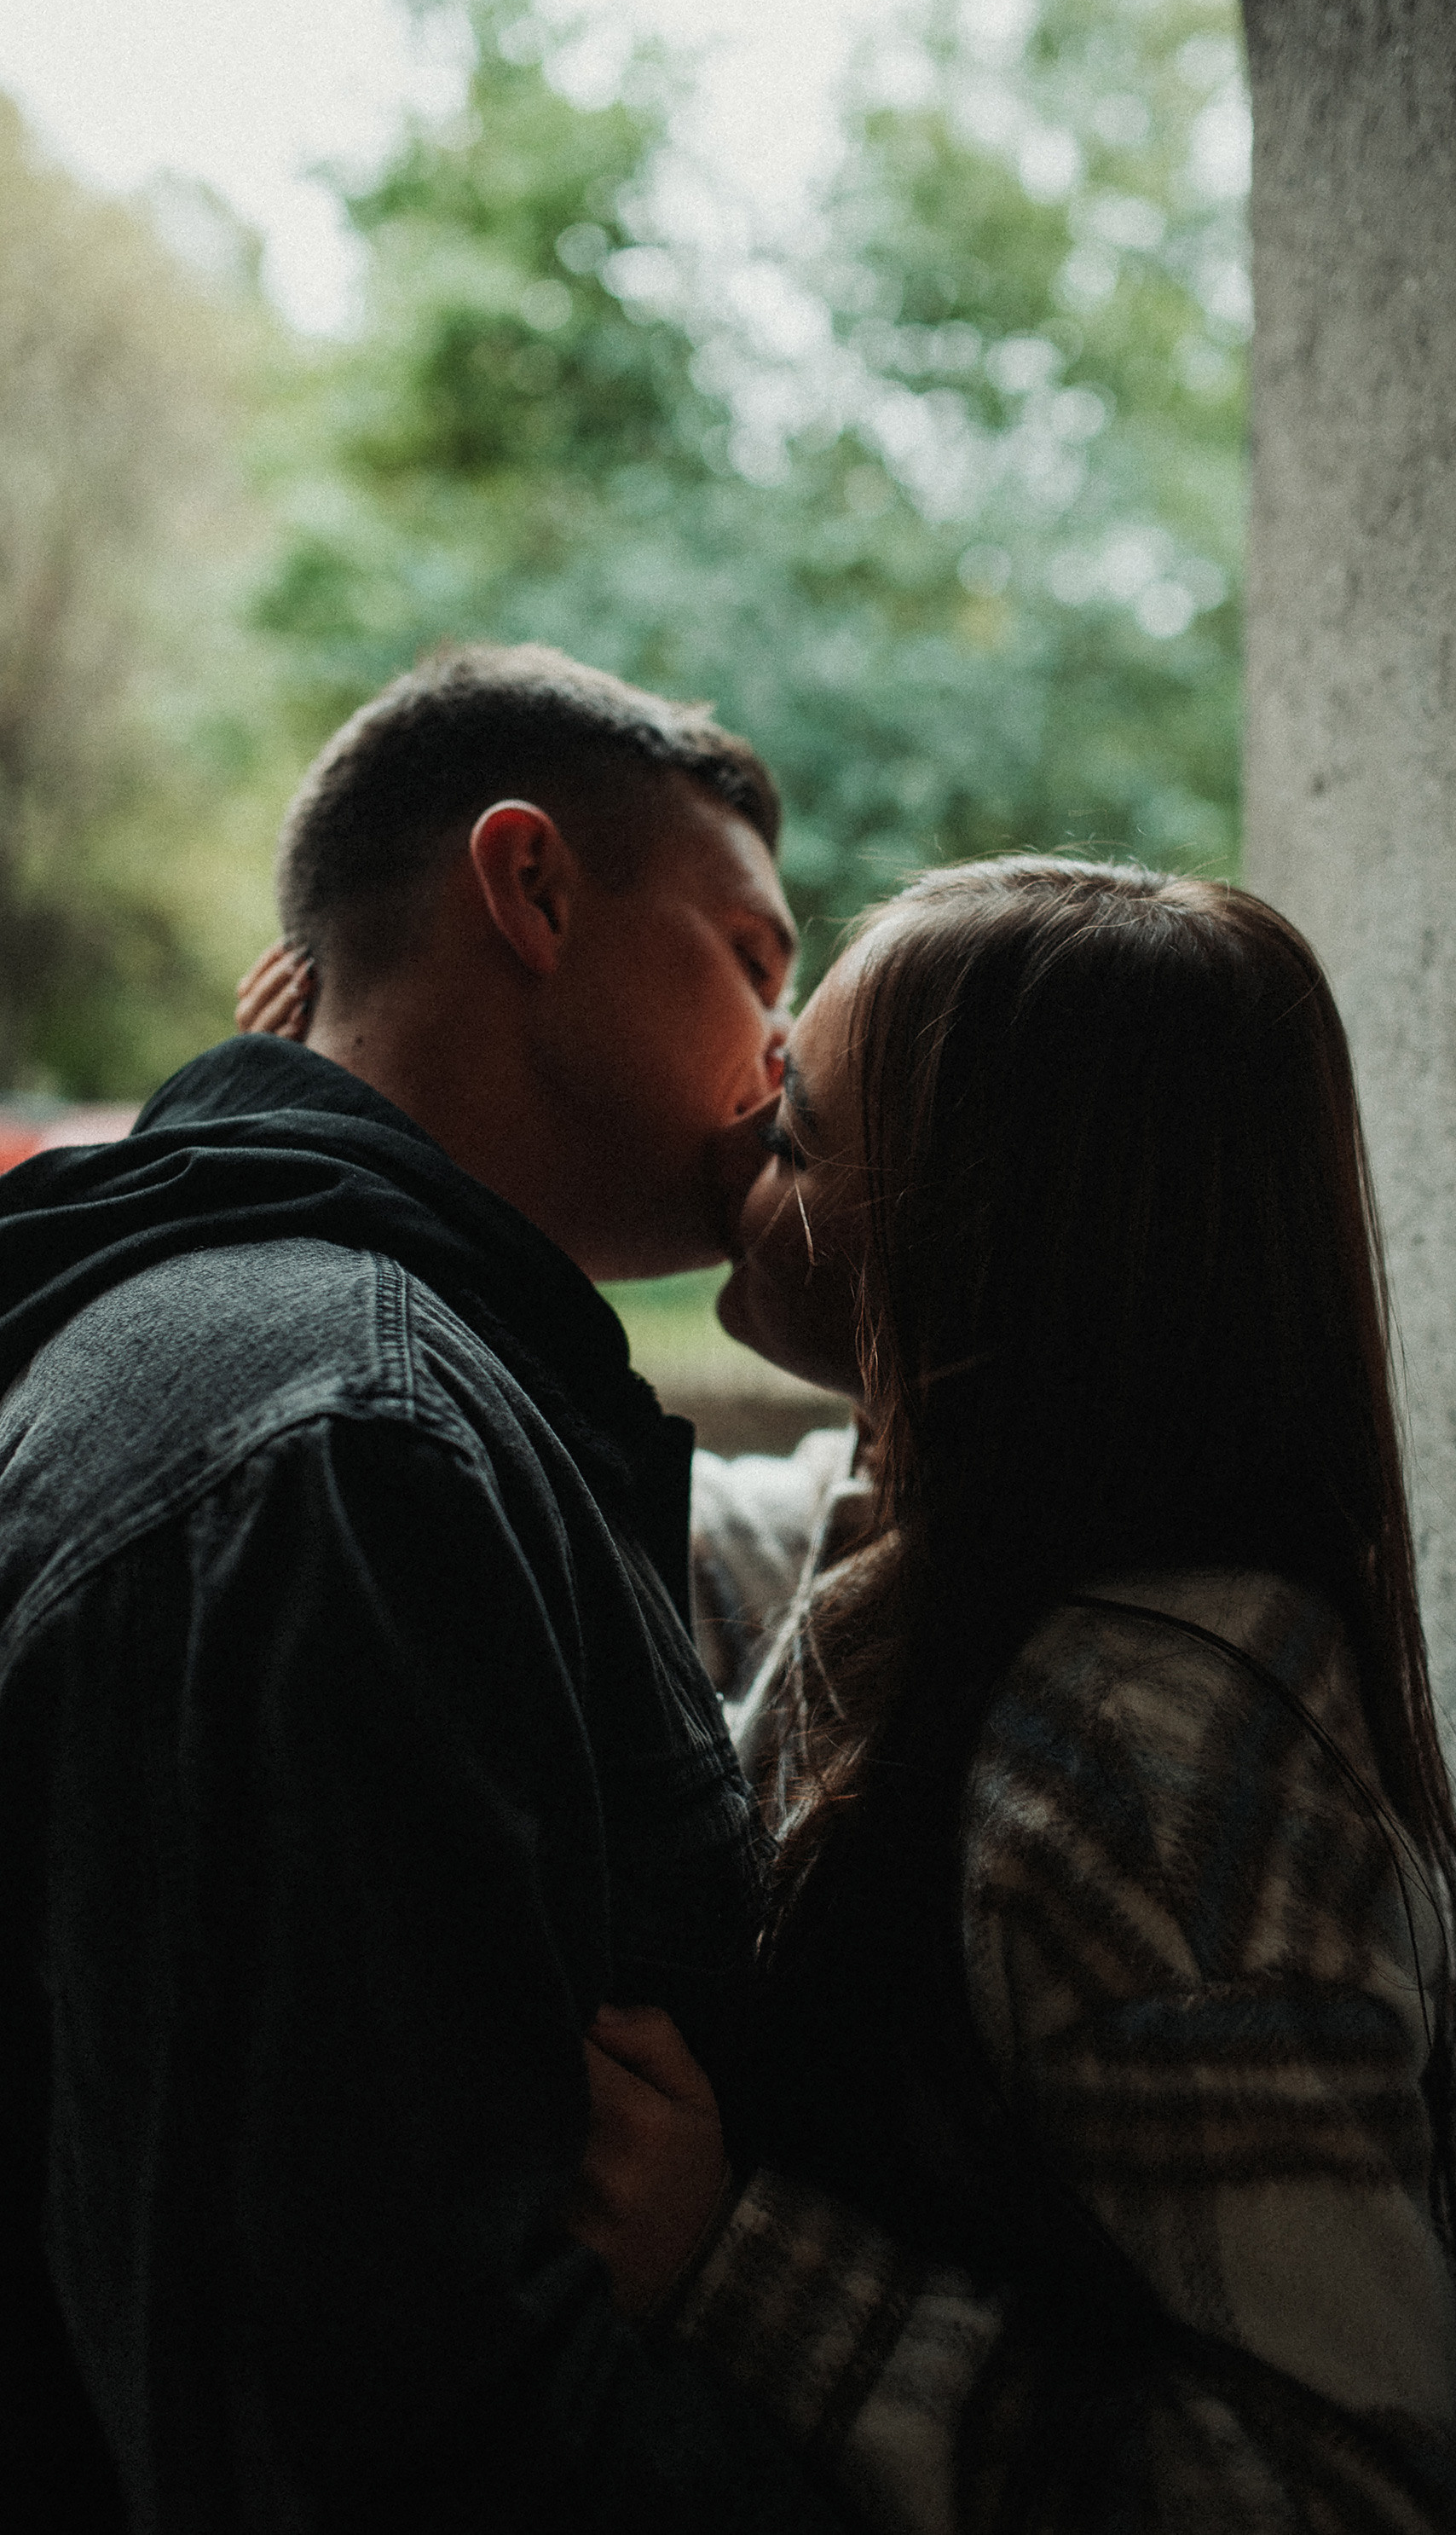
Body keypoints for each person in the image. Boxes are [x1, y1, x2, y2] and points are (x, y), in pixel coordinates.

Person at [0, 644, 853, 2532]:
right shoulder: (355, 1448)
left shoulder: (292, 1356)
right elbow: (419, 2432)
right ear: (531, 888)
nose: (785, 1049)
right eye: (753, 957)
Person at [569, 859, 1456, 2535]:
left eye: (791, 1135)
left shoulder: (1150, 1754)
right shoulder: (916, 1540)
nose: (730, 1148)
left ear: (973, 1241)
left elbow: (1348, 2499)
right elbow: (637, 1550)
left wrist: (739, 2261)